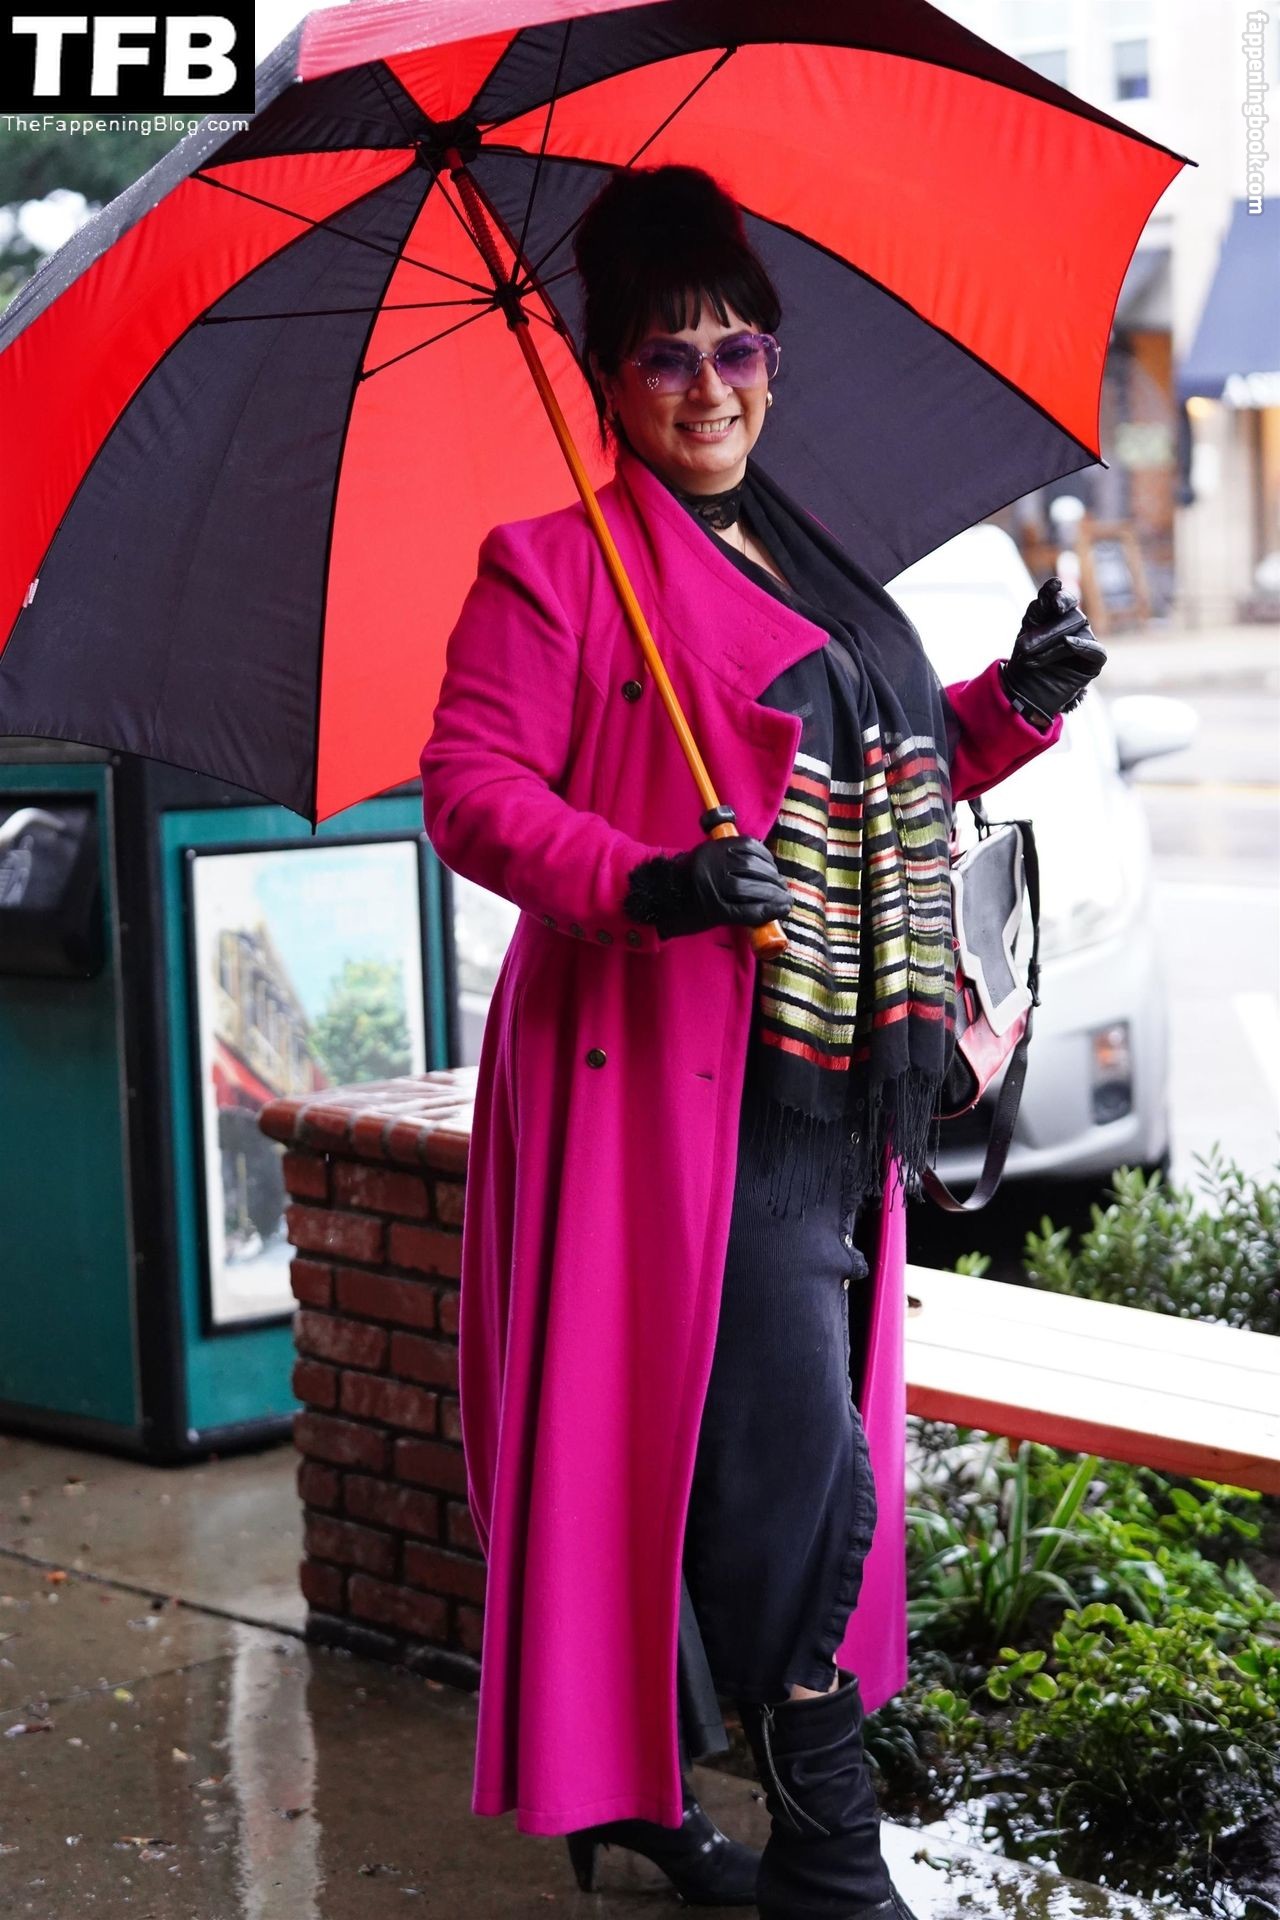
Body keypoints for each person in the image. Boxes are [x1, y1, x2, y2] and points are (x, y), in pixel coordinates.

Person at [419, 165, 1104, 1919]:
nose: (711, 386)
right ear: (610, 375)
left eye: (739, 348)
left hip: (830, 1093)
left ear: (774, 361)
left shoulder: (806, 552)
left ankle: (656, 1800)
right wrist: (645, 878)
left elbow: (872, 774)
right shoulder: (555, 569)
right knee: (790, 1458)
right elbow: (471, 792)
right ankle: (830, 1857)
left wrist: (1011, 707)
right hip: (665, 1090)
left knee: (753, 1448)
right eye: (669, 355)